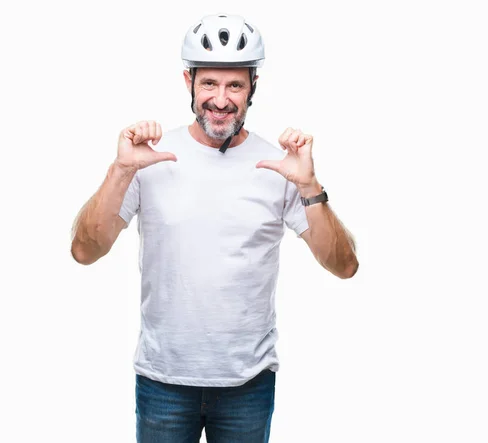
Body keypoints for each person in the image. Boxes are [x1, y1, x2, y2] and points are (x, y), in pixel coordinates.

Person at [70, 13, 358, 443]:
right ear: (188, 81)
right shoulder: (149, 158)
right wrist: (120, 170)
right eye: (209, 84)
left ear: (252, 88)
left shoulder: (280, 166)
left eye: (235, 85)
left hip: (248, 384)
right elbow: (84, 251)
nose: (220, 99)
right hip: (163, 380)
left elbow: (343, 266)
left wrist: (309, 186)